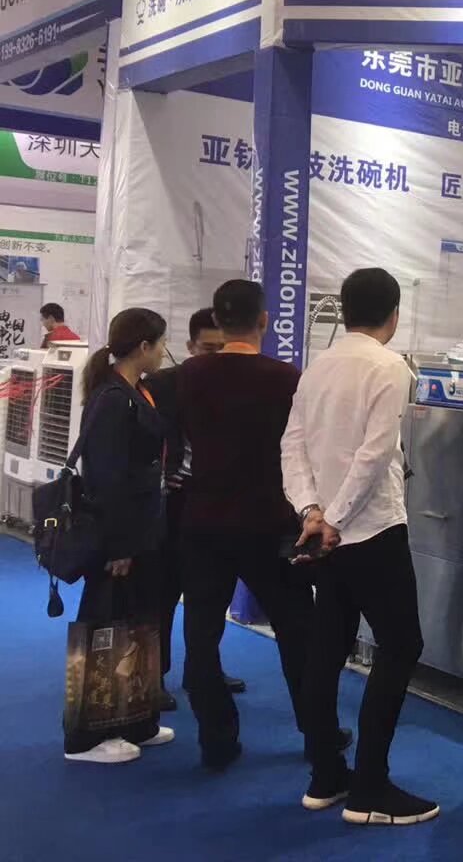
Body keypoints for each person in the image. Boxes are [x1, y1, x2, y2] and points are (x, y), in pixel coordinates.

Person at [283, 268, 437, 827]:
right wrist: (336, 519)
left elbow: (292, 446)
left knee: (328, 646)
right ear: (394, 315)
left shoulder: (317, 366)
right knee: (401, 646)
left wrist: (312, 511)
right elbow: (374, 455)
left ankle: (326, 773)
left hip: (328, 535)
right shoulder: (389, 366)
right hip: (372, 531)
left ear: (344, 310)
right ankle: (370, 786)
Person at [176, 280, 317, 771]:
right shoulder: (286, 378)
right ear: (264, 320)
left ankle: (216, 737)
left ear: (216, 320)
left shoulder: (188, 375)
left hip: (204, 521)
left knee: (201, 637)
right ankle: (317, 733)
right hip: (269, 522)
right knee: (298, 634)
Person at [64, 308, 175, 763]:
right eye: (161, 343)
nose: (165, 352)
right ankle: (84, 739)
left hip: (143, 532)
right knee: (102, 628)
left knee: (138, 626)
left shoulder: (134, 391)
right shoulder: (112, 398)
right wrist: (119, 546)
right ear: (144, 346)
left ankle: (135, 719)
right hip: (119, 537)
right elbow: (106, 478)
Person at [144, 308, 244, 711]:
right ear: (190, 346)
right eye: (208, 348)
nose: (216, 355)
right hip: (173, 501)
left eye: (222, 347)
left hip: (218, 502)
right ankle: (154, 676)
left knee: (211, 595)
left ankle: (203, 670)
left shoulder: (238, 386)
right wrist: (160, 478)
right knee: (164, 592)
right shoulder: (163, 385)